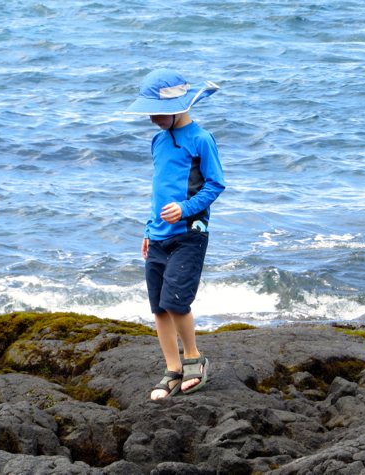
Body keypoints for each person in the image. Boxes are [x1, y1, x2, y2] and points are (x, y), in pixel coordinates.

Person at [124, 69, 225, 399]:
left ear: (181, 105)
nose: (153, 118)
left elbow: (215, 184)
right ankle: (173, 368)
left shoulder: (201, 139)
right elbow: (158, 191)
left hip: (190, 233)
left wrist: (185, 208)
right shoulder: (157, 140)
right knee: (158, 307)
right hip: (159, 235)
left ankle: (194, 358)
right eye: (149, 112)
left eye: (158, 111)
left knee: (176, 301)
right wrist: (148, 229)